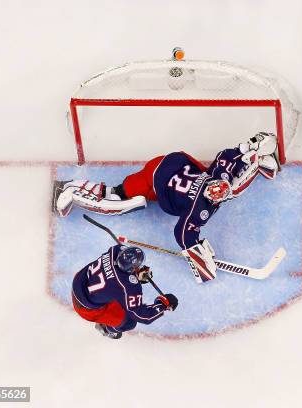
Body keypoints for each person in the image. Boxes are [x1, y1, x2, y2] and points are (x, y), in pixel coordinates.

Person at [53, 132, 280, 283]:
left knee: (121, 193)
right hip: (155, 182)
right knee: (120, 200)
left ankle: (74, 188)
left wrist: (253, 150)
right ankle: (71, 192)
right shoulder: (201, 208)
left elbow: (229, 157)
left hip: (171, 162)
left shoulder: (219, 177)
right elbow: (182, 233)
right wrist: (199, 260)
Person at [72, 244, 178, 339]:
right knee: (129, 322)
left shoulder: (115, 250)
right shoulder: (128, 287)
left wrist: (135, 273)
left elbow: (119, 272)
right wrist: (163, 303)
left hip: (79, 283)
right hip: (85, 308)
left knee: (117, 295)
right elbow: (143, 316)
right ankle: (106, 329)